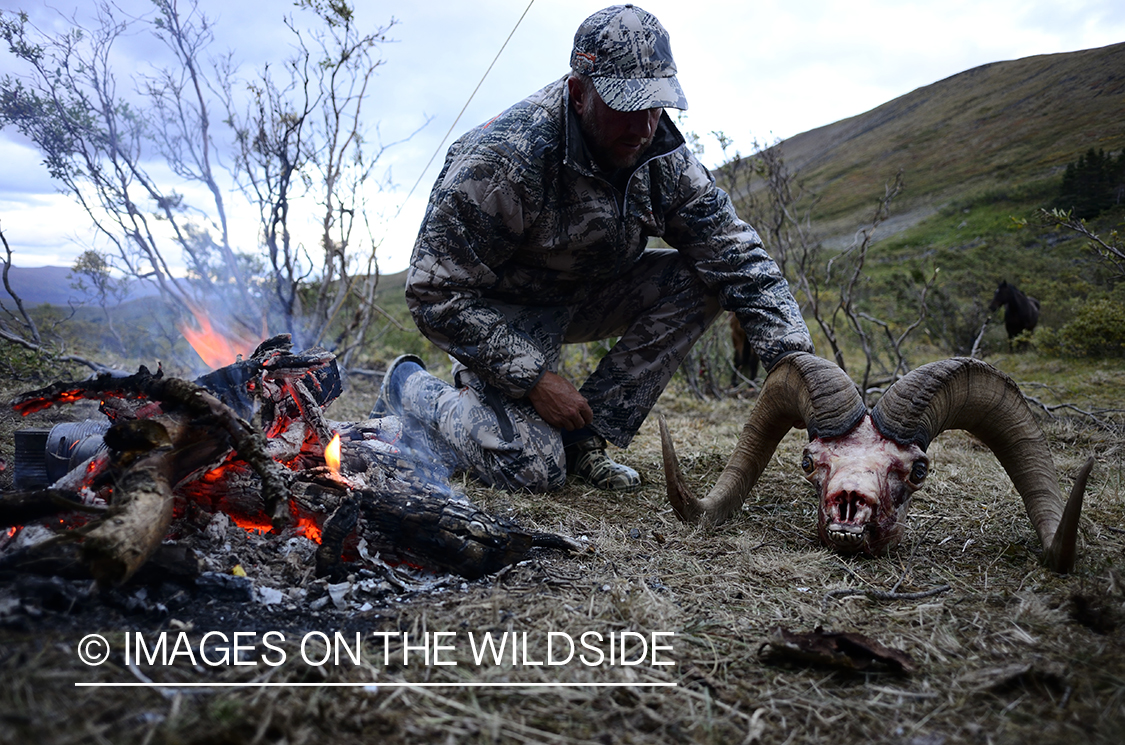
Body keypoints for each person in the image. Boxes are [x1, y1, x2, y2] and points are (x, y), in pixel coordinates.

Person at [373, 4, 813, 493]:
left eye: (656, 105)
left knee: (704, 276)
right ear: (578, 93)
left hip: (589, 297)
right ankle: (410, 388)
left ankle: (586, 438)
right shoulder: (502, 161)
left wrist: (808, 379)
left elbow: (738, 257)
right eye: (625, 106)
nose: (643, 127)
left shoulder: (660, 155)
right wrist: (535, 379)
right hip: (500, 314)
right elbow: (434, 294)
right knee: (529, 468)